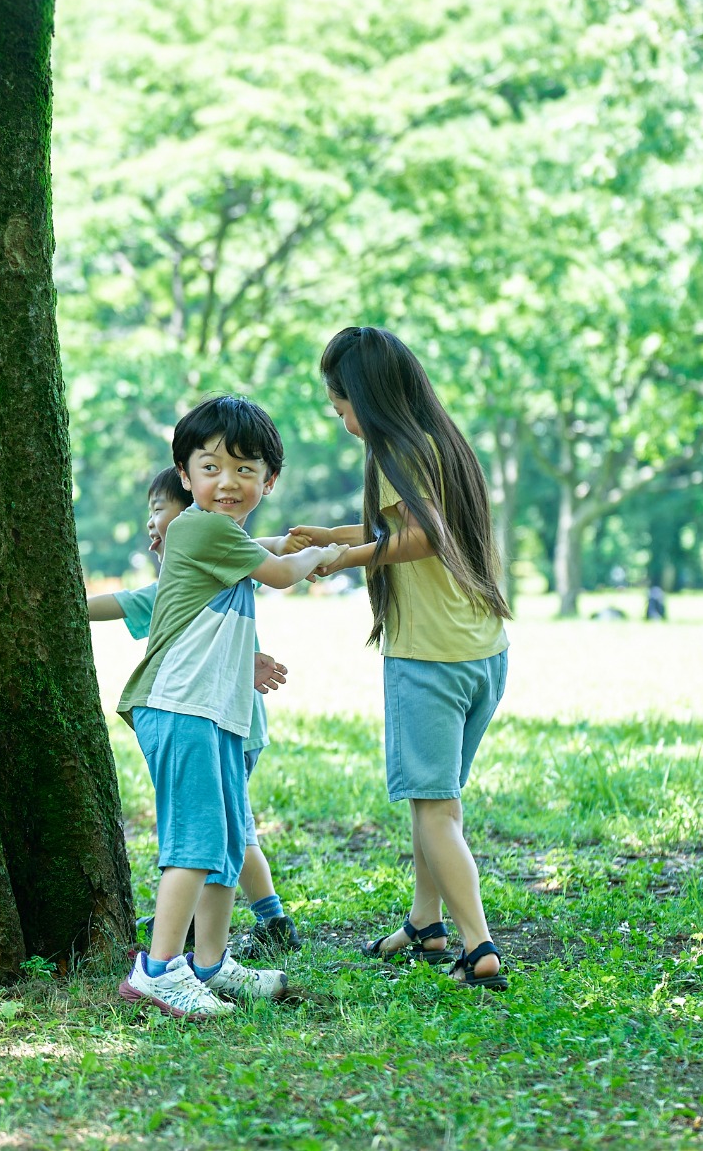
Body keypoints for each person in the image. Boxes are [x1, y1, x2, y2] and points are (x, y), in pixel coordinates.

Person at [287, 326, 512, 990]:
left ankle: (479, 945)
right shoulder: (442, 444)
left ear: (365, 397)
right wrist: (333, 535)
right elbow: (404, 527)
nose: (344, 422)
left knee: (433, 809)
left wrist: (341, 557)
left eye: (341, 407)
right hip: (482, 653)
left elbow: (418, 538)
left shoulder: (394, 452)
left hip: (430, 661)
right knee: (438, 803)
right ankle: (425, 924)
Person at [114, 396, 342, 1019]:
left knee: (221, 842)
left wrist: (295, 552)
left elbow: (259, 560)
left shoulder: (224, 539)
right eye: (210, 467)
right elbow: (280, 573)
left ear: (268, 481)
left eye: (246, 469)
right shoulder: (203, 528)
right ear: (184, 477)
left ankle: (210, 963)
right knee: (194, 843)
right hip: (181, 708)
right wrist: (317, 556)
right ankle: (158, 969)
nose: (228, 482)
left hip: (212, 709)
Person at [87, 466, 299, 956]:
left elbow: (271, 558)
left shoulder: (204, 549)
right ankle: (197, 951)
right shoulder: (203, 563)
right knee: (218, 834)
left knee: (218, 835)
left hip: (216, 718)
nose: (153, 523)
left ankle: (193, 952)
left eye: (159, 510)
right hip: (207, 715)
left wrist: (317, 551)